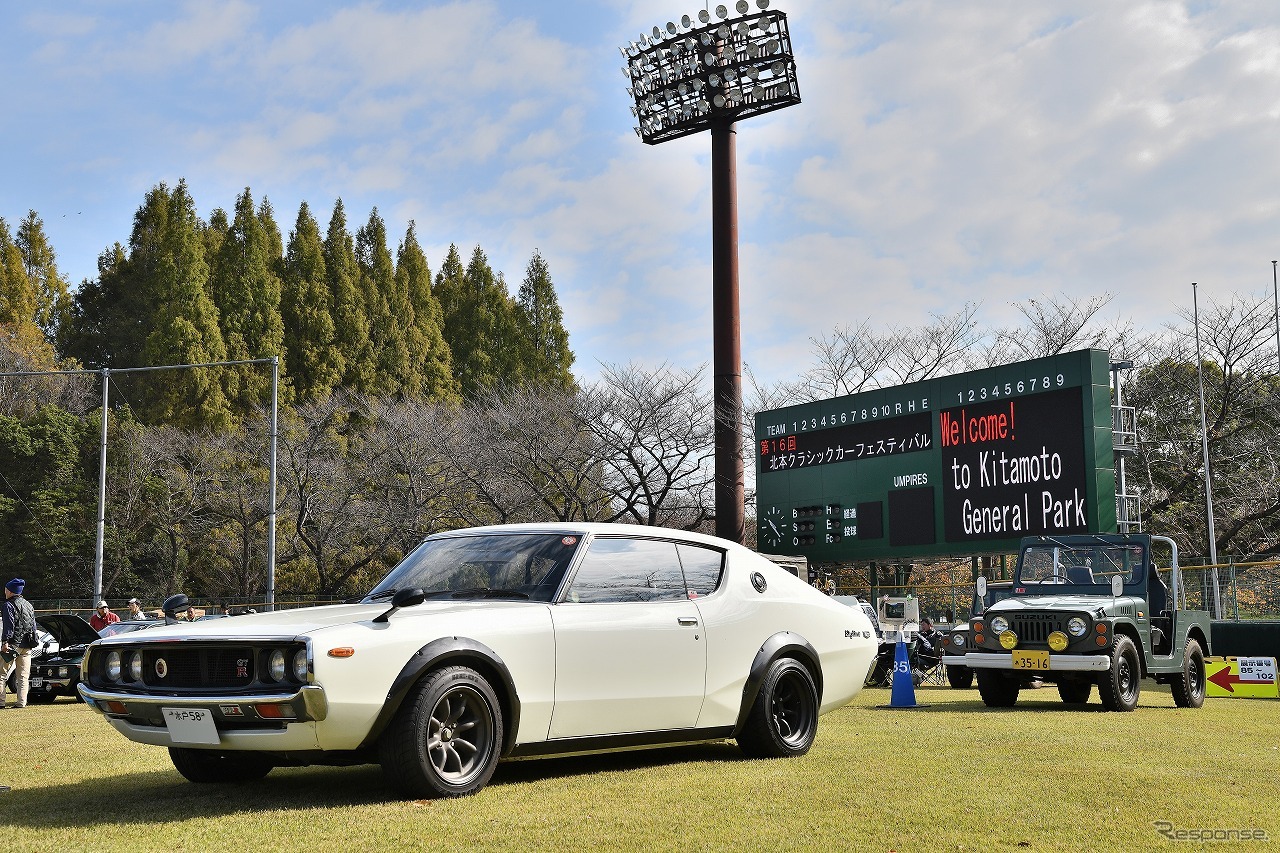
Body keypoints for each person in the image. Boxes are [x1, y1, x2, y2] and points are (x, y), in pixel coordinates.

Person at [2, 578, 38, 709]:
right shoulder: (29, 605)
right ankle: (21, 702)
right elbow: (33, 626)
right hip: (27, 646)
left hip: (13, 645)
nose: (4, 591)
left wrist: (5, 642)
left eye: (6, 589)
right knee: (23, 676)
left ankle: (0, 702)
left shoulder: (8, 605)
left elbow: (8, 626)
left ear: (11, 591)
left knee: (1, 674)